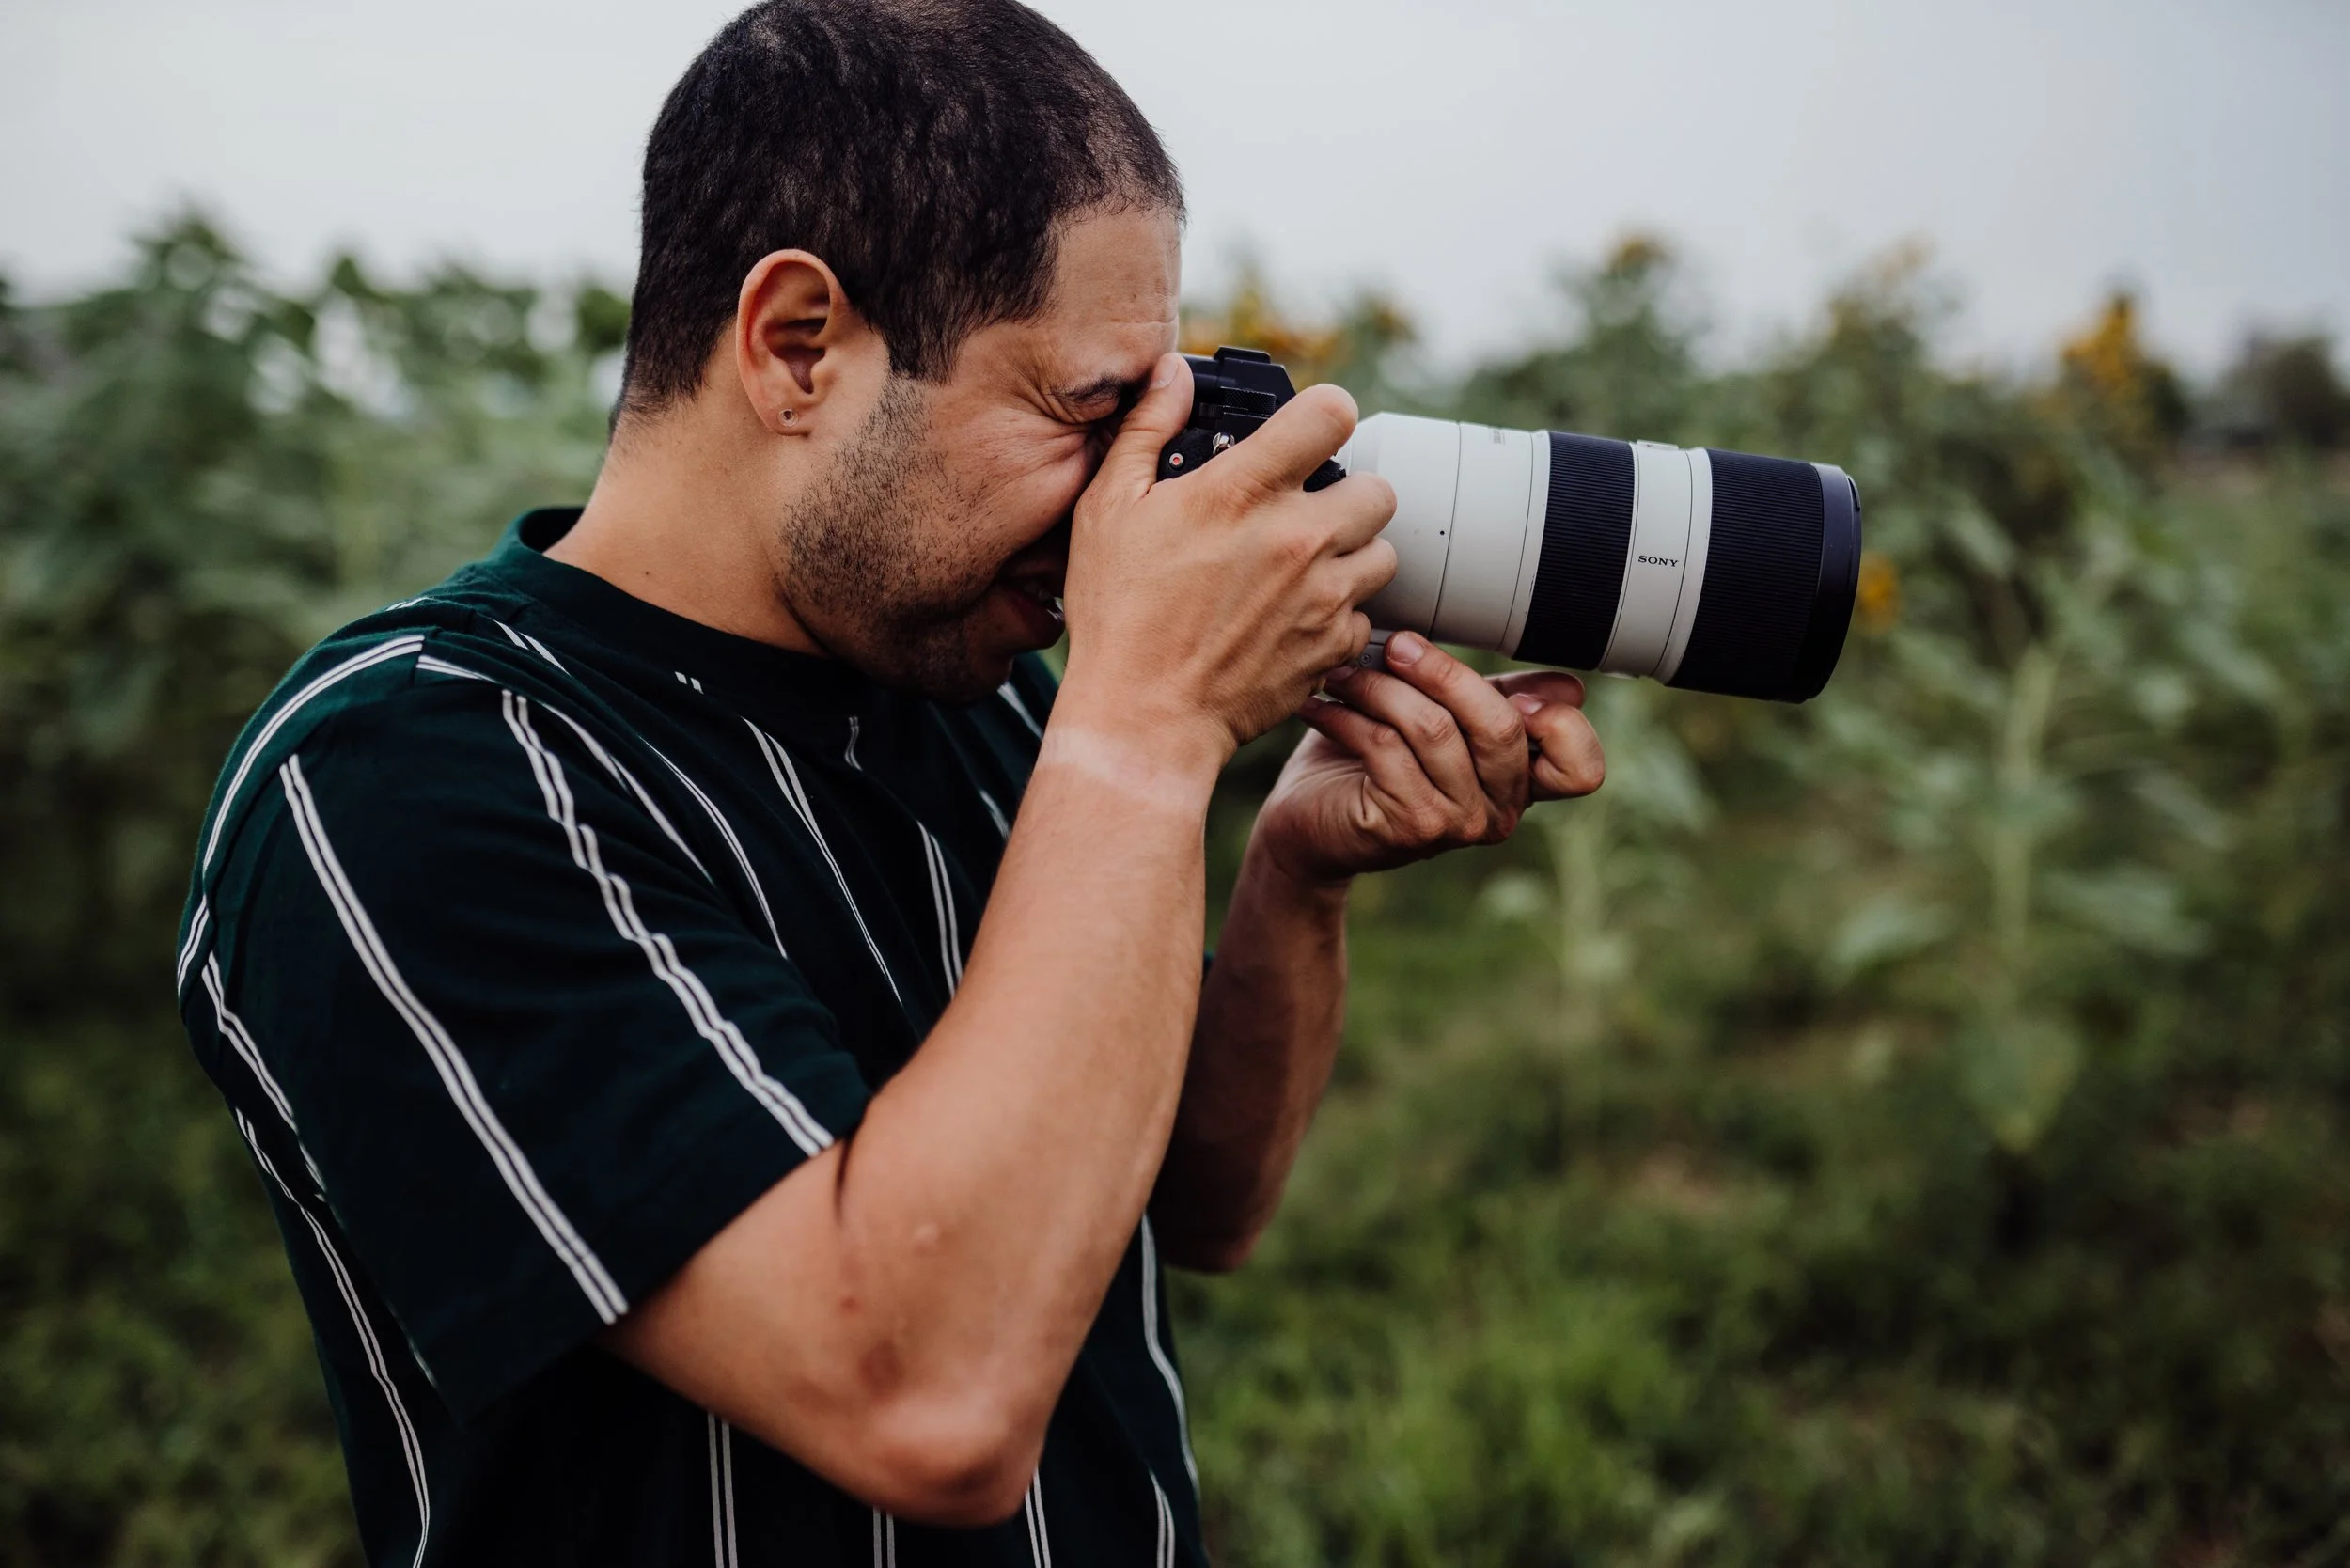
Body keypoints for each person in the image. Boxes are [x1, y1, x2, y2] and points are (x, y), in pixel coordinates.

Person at [174, 1, 1606, 1562]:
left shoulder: (967, 681)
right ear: (799, 347)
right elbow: (922, 1395)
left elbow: (1197, 1198)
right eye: (1084, 411)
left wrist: (1292, 873)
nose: (1135, 487)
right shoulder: (404, 773)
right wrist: (1148, 729)